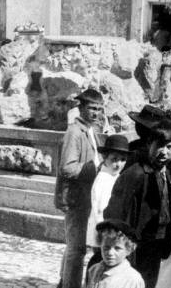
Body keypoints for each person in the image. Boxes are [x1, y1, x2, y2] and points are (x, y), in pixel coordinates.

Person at [104, 119, 171, 288]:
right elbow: (114, 213)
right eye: (159, 146)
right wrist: (121, 248)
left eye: (169, 147)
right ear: (149, 144)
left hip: (157, 244)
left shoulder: (167, 172)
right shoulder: (135, 174)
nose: (164, 152)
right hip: (137, 247)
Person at [55, 88, 104, 288]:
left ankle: (63, 282)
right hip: (75, 198)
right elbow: (66, 168)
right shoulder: (74, 132)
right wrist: (95, 168)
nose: (96, 113)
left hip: (85, 197)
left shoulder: (89, 130)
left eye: (99, 109)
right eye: (92, 108)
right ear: (81, 108)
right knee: (77, 250)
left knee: (73, 247)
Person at [86, 135, 130, 275]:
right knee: (101, 266)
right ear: (105, 157)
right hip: (105, 232)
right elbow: (101, 210)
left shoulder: (114, 176)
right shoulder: (103, 180)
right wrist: (105, 235)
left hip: (111, 231)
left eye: (123, 160)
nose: (118, 164)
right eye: (114, 159)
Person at [86, 219, 144, 288]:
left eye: (117, 248)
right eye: (106, 247)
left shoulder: (133, 279)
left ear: (128, 250)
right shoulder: (93, 270)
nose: (110, 253)